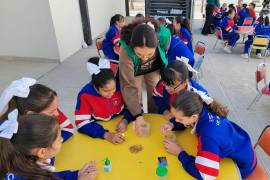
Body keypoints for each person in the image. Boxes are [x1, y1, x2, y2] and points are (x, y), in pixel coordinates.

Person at [161, 91, 257, 179]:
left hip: (243, 165)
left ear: (194, 117)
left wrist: (180, 152)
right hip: (243, 145)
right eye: (175, 117)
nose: (176, 120)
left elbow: (205, 175)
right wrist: (173, 124)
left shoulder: (209, 137)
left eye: (180, 119)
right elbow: (188, 121)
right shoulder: (203, 107)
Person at [0, 112, 98, 180]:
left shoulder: (21, 164)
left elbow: (51, 176)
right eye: (59, 139)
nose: (62, 140)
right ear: (42, 152)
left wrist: (76, 174)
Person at [119, 18, 170, 136]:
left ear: (157, 42)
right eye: (139, 53)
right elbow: (128, 84)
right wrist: (137, 115)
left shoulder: (163, 36)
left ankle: (155, 116)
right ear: (132, 46)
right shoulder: (125, 50)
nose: (144, 58)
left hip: (154, 65)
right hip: (135, 67)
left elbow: (166, 50)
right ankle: (138, 117)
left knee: (154, 88)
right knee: (134, 90)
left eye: (149, 54)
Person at [75, 57, 133, 144]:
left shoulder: (120, 86)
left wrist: (126, 119)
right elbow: (82, 123)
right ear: (96, 87)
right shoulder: (85, 95)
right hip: (98, 131)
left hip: (122, 125)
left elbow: (133, 106)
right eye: (106, 91)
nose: (112, 94)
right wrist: (105, 134)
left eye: (113, 89)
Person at [0, 77, 74, 142]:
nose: (57, 113)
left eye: (57, 107)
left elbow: (68, 130)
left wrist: (54, 143)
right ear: (31, 114)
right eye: (52, 111)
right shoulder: (11, 131)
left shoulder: (53, 114)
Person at [153, 61, 212, 130]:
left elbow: (190, 119)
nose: (166, 88)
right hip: (167, 118)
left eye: (172, 86)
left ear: (184, 82)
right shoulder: (165, 83)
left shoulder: (197, 95)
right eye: (164, 83)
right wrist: (164, 110)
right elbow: (157, 96)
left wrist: (173, 124)